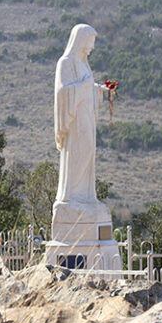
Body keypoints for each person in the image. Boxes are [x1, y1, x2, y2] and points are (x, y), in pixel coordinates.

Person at [53, 24, 110, 222]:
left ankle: (85, 196)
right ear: (79, 41)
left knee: (89, 151)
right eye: (89, 43)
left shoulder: (84, 63)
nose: (91, 48)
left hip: (86, 116)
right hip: (75, 119)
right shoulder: (65, 62)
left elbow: (85, 86)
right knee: (80, 150)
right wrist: (85, 86)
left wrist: (97, 90)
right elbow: (62, 91)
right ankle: (72, 196)